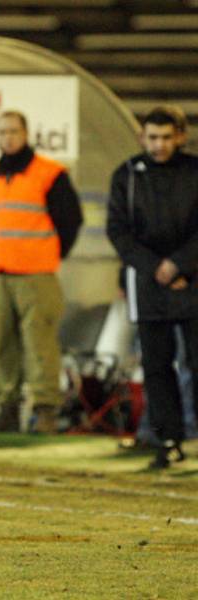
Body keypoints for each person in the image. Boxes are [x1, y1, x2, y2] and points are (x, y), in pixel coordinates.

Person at [0, 110, 83, 434]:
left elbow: (71, 221)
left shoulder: (49, 173)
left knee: (40, 346)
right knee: (2, 344)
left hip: (37, 275)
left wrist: (49, 254)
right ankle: (6, 411)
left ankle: (46, 412)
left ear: (25, 133)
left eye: (13, 131)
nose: (7, 137)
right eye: (2, 131)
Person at [107, 107, 198, 469]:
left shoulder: (194, 171)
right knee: (157, 366)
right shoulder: (127, 176)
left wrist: (180, 264)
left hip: (192, 280)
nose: (158, 145)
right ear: (143, 137)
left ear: (180, 136)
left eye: (165, 137)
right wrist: (155, 267)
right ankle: (169, 440)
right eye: (152, 137)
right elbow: (118, 231)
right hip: (148, 283)